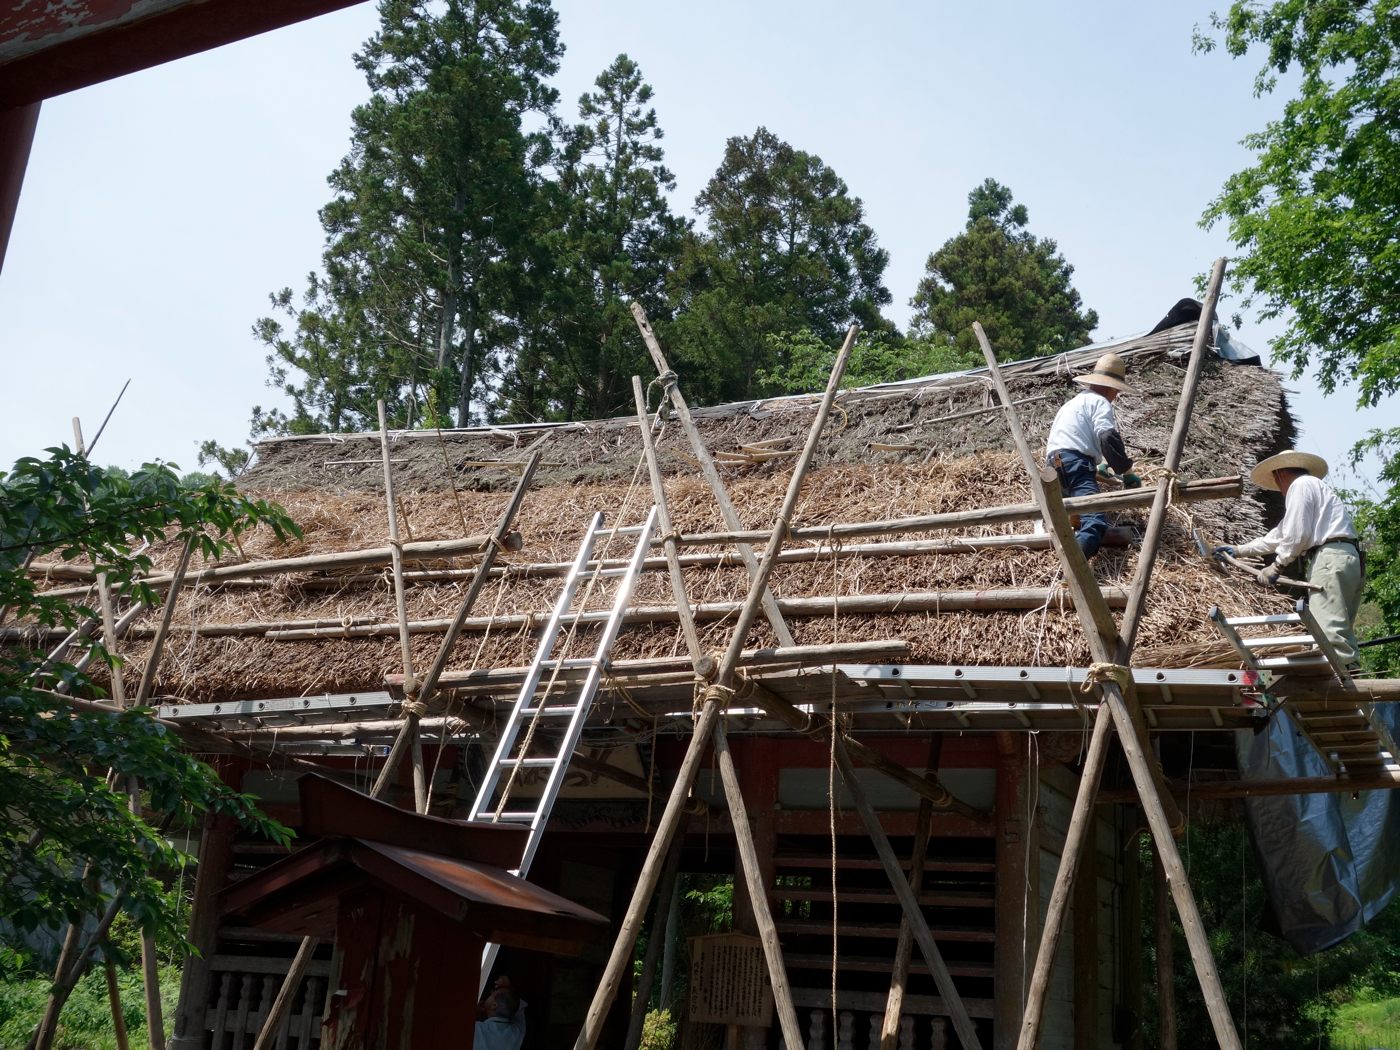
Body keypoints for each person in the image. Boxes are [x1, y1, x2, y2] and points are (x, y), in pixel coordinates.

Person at [1215, 450, 1364, 669]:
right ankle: (1348, 670)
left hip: (1330, 558)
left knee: (1327, 627)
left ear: (1280, 474)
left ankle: (1336, 678)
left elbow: (1298, 535)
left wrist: (1277, 566)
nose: (1281, 492)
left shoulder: (1300, 486)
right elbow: (1277, 537)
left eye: (1277, 483)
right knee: (1340, 624)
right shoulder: (1312, 489)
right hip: (1348, 557)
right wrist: (1238, 550)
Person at [1044, 351, 1142, 557]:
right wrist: (1126, 471)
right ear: (1110, 387)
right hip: (1075, 463)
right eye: (1117, 391)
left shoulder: (1072, 404)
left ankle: (1069, 549)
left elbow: (1069, 442)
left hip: (1053, 465)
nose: (1116, 396)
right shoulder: (1100, 402)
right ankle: (1074, 569)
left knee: (1070, 518)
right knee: (1095, 521)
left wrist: (1097, 467)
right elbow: (1107, 437)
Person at [474, 976, 526, 1050]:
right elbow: (518, 1006)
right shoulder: (516, 1033)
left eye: (493, 993)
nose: (491, 992)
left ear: (494, 1005)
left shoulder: (477, 1030)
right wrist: (508, 987)